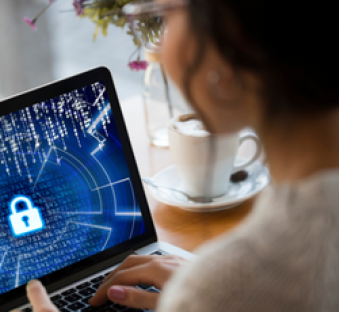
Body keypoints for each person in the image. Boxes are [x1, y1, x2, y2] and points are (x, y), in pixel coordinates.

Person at [18, 0, 339, 311]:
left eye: (166, 17)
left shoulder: (236, 287)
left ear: (229, 56)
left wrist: (209, 291)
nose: (158, 41)